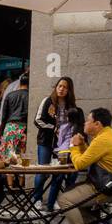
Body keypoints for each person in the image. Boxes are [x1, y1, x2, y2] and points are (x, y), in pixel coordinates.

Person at [58, 107, 112, 224]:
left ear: (97, 124)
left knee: (65, 199)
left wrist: (74, 146)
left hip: (105, 189)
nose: (85, 124)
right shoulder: (110, 136)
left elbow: (79, 164)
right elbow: (90, 156)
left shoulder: (102, 140)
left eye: (88, 120)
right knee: (72, 194)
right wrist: (82, 145)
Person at [33, 76, 77, 210]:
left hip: (62, 145)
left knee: (59, 173)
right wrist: (53, 128)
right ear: (56, 87)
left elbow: (73, 124)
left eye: (65, 87)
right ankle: (37, 199)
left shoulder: (71, 106)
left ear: (69, 90)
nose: (62, 89)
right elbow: (37, 120)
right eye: (60, 86)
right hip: (46, 141)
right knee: (42, 171)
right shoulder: (47, 101)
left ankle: (53, 201)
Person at [0, 73, 29, 163]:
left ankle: (9, 177)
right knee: (23, 160)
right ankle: (22, 177)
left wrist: (3, 131)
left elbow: (4, 115)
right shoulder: (30, 96)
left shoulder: (10, 95)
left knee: (8, 159)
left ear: (19, 84)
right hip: (24, 128)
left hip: (10, 128)